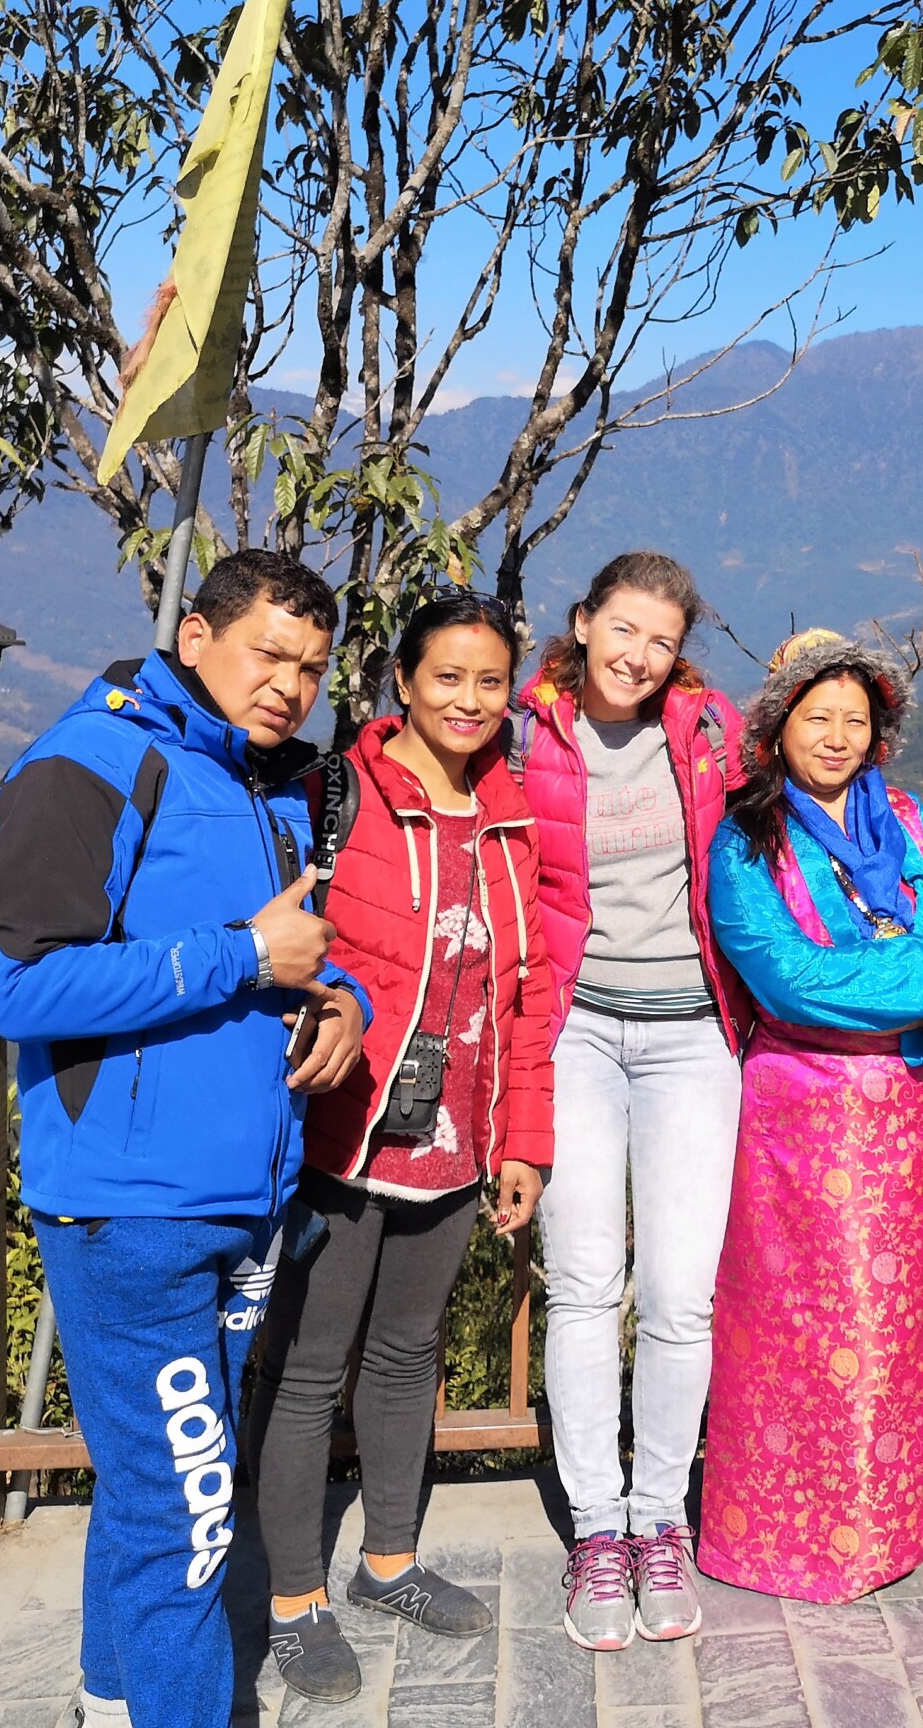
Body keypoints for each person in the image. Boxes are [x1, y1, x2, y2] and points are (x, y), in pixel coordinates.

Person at [0, 549, 372, 1728]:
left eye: (310, 667)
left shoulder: (255, 783)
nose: (290, 686)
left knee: (154, 1496)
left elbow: (280, 946)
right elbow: (27, 989)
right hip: (131, 1207)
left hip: (235, 1199)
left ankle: (115, 1702)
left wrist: (336, 998)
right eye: (269, 655)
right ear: (193, 637)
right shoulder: (86, 765)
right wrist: (246, 958)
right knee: (191, 1510)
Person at [247, 587, 552, 1703]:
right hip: (344, 1126)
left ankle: (387, 1562)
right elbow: (289, 939)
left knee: (404, 1354)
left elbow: (528, 994)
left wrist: (524, 1137)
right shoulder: (341, 796)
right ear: (403, 685)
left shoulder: (514, 816)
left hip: (460, 1133)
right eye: (447, 678)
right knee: (308, 1367)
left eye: (489, 681)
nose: (469, 701)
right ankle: (291, 1598)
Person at [697, 630, 923, 1604]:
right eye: (815, 716)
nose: (834, 736)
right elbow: (790, 977)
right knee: (816, 1326)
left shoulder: (913, 822)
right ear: (777, 726)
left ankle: (920, 1506)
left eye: (854, 719)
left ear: (879, 734)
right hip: (810, 1119)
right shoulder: (746, 837)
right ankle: (816, 1533)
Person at [512, 552, 749, 1651]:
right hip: (575, 1034)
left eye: (659, 639)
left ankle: (661, 1517)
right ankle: (597, 1530)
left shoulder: (707, 735)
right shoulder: (526, 732)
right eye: (622, 629)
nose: (636, 654)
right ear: (581, 622)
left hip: (692, 1035)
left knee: (679, 1295)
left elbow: (823, 772)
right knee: (583, 1283)